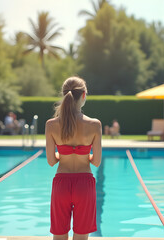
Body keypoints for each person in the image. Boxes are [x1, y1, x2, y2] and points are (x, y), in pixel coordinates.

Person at [45, 76, 102, 240]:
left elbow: (51, 161)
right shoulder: (94, 125)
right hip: (85, 184)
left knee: (59, 237)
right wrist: (82, 152)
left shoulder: (51, 124)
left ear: (64, 95)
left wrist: (63, 153)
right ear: (83, 95)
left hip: (61, 184)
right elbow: (96, 161)